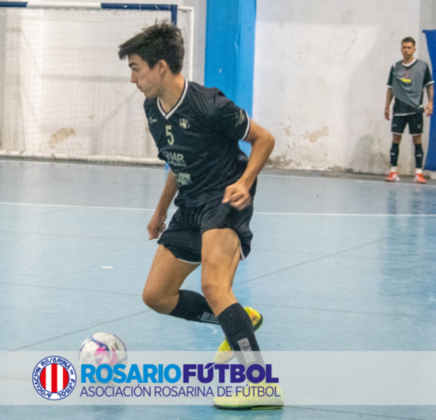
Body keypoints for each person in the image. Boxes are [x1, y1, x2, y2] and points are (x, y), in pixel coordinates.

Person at [118, 22, 282, 409]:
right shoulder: (152, 109)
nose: (132, 79)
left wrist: (245, 181)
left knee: (214, 286)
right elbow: (179, 160)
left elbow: (265, 139)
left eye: (136, 68)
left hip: (225, 197)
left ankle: (260, 384)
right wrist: (160, 210)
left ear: (161, 66)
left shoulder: (210, 104)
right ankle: (238, 318)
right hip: (190, 204)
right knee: (157, 296)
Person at [385, 37, 433, 183]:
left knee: (417, 140)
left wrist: (431, 102)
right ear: (401, 49)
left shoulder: (423, 66)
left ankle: (418, 173)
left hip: (415, 110)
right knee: (395, 140)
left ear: (414, 49)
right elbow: (390, 88)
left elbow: (429, 85)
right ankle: (393, 172)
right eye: (404, 47)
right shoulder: (395, 67)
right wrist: (387, 106)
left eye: (409, 47)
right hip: (399, 110)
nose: (406, 50)